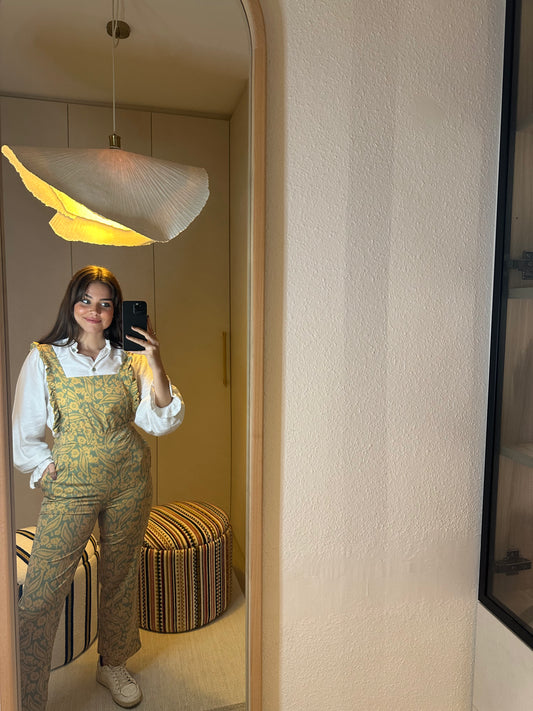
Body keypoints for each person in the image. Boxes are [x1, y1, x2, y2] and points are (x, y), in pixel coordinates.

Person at [12, 265, 185, 711]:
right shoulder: (45, 358)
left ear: (115, 311)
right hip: (72, 485)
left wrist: (155, 360)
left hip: (129, 481)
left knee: (120, 576)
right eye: (86, 300)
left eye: (105, 303)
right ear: (72, 304)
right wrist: (46, 467)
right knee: (41, 593)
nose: (95, 310)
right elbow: (24, 433)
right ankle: (26, 694)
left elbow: (161, 420)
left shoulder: (130, 358)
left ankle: (113, 663)